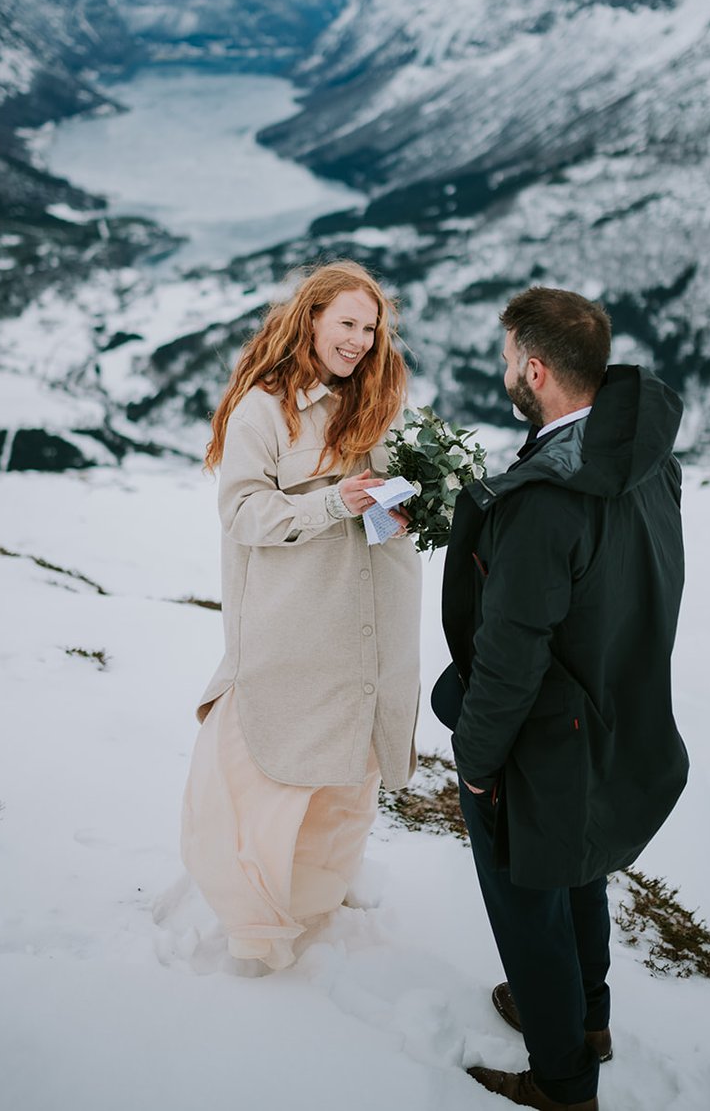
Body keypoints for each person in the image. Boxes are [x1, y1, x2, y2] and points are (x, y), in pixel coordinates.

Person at [433, 286, 688, 1111]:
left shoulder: (547, 503)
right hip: (611, 709)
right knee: (579, 871)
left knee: (528, 902)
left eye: (510, 357)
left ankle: (563, 1076)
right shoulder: (644, 459)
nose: (506, 367)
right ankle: (590, 1019)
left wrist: (475, 763)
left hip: (544, 734)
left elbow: (509, 658)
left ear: (535, 370)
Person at [181, 260, 421, 970]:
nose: (358, 340)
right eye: (347, 323)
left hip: (371, 612)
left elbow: (387, 491)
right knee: (269, 762)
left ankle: (317, 890)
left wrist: (407, 503)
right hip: (296, 619)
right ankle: (251, 914)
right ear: (311, 317)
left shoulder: (375, 400)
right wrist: (333, 501)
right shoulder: (264, 407)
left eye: (369, 328)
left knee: (350, 766)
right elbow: (243, 511)